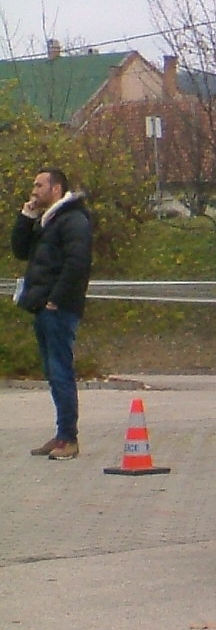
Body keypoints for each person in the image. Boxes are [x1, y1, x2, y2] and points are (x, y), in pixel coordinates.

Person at [12, 167, 94, 460]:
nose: (34, 190)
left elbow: (77, 263)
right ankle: (61, 434)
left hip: (58, 308)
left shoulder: (73, 220)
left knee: (61, 372)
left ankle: (68, 439)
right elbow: (21, 251)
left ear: (56, 188)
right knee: (52, 372)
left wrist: (55, 300)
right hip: (42, 305)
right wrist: (26, 217)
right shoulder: (48, 221)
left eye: (39, 185)